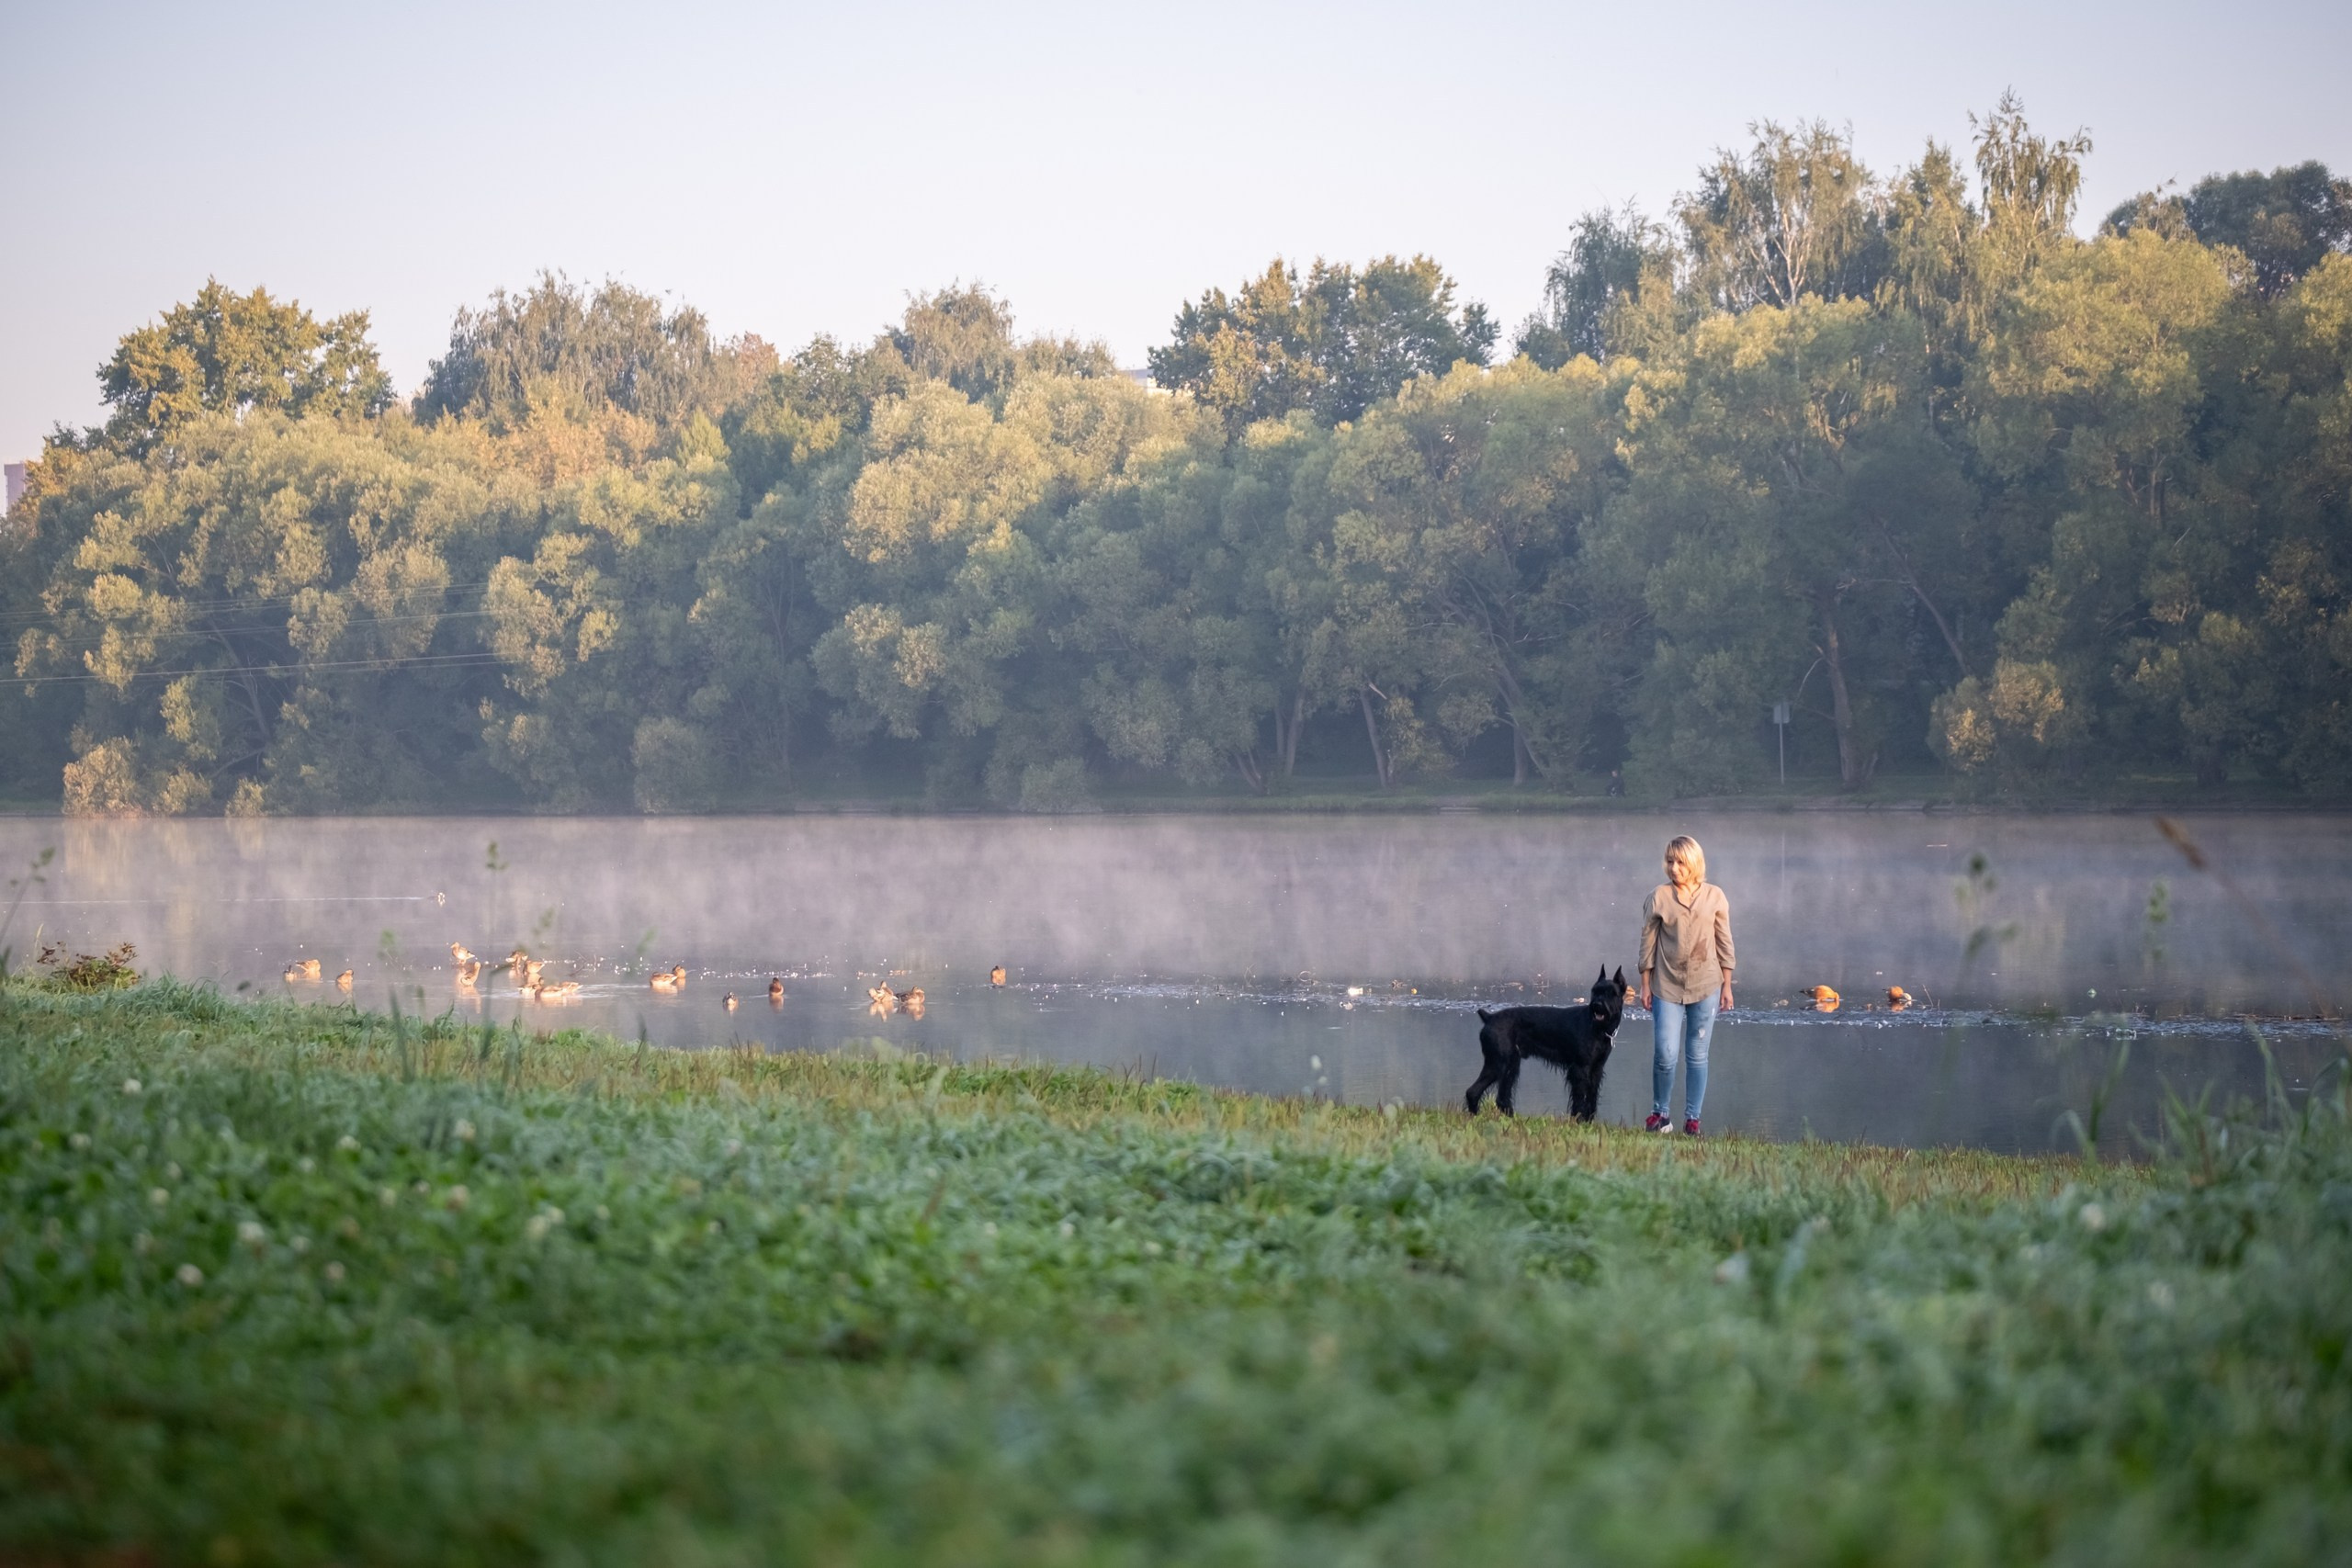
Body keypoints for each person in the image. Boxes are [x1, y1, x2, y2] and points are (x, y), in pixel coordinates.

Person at [1637, 835, 1735, 1136]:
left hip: (1707, 985)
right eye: (1670, 861)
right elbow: (1647, 944)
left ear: (1694, 864)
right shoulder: (1658, 897)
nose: (1674, 868)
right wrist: (1645, 984)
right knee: (1665, 1053)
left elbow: (1724, 941)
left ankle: (1693, 1119)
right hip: (1666, 985)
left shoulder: (1715, 896)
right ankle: (1660, 1114)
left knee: (1698, 1053)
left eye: (1680, 862)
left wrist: (1727, 985)